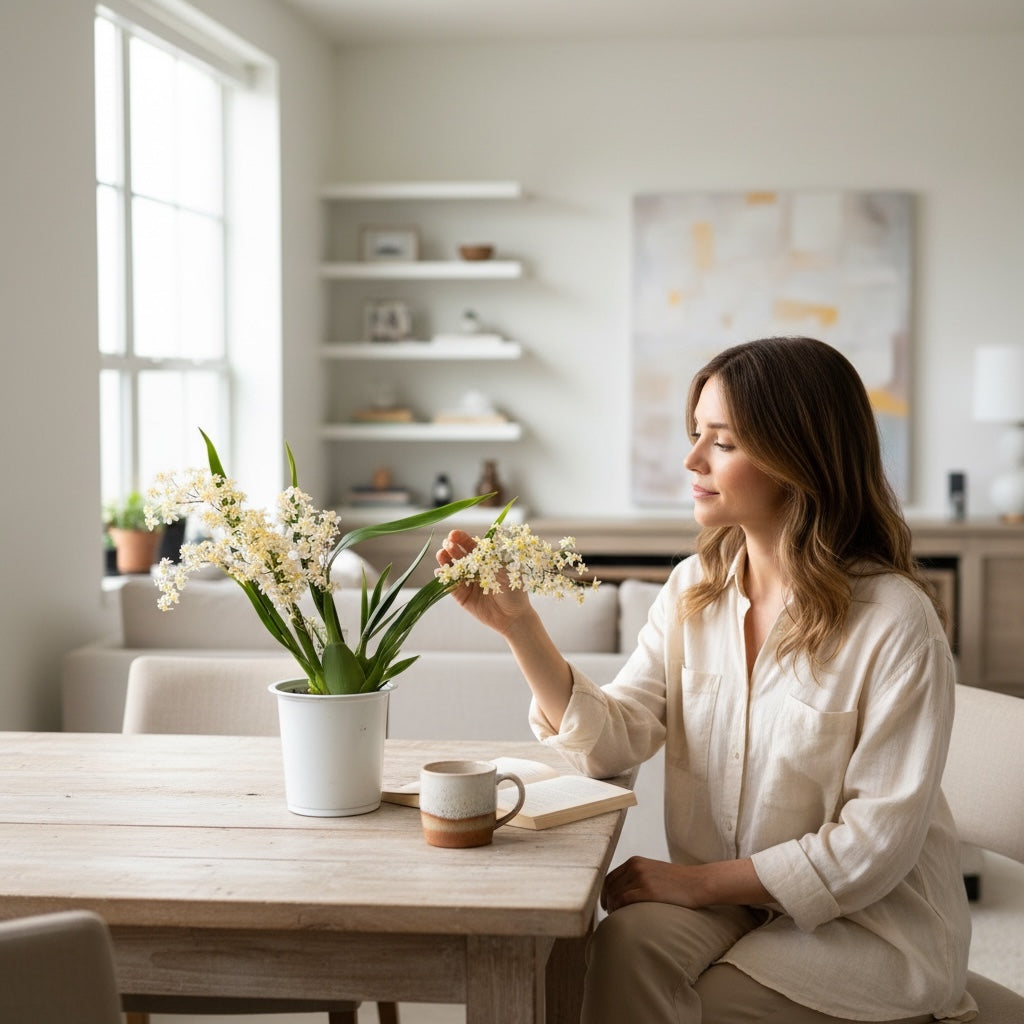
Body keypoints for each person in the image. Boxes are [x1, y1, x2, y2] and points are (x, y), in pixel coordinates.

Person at [436, 336, 977, 1024]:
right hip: (732, 903)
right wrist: (520, 626)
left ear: (798, 458)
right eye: (695, 435)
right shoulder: (696, 588)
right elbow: (612, 741)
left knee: (707, 1003)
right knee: (620, 947)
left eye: (722, 442)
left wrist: (694, 884)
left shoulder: (895, 621)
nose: (692, 460)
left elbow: (869, 848)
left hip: (870, 928)